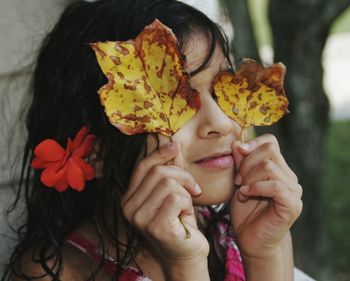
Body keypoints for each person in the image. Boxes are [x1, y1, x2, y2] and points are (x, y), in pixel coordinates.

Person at [1, 0, 303, 280]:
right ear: (96, 151)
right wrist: (186, 268)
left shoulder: (247, 230)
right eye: (176, 100)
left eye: (220, 90)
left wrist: (265, 253)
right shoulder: (57, 273)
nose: (221, 123)